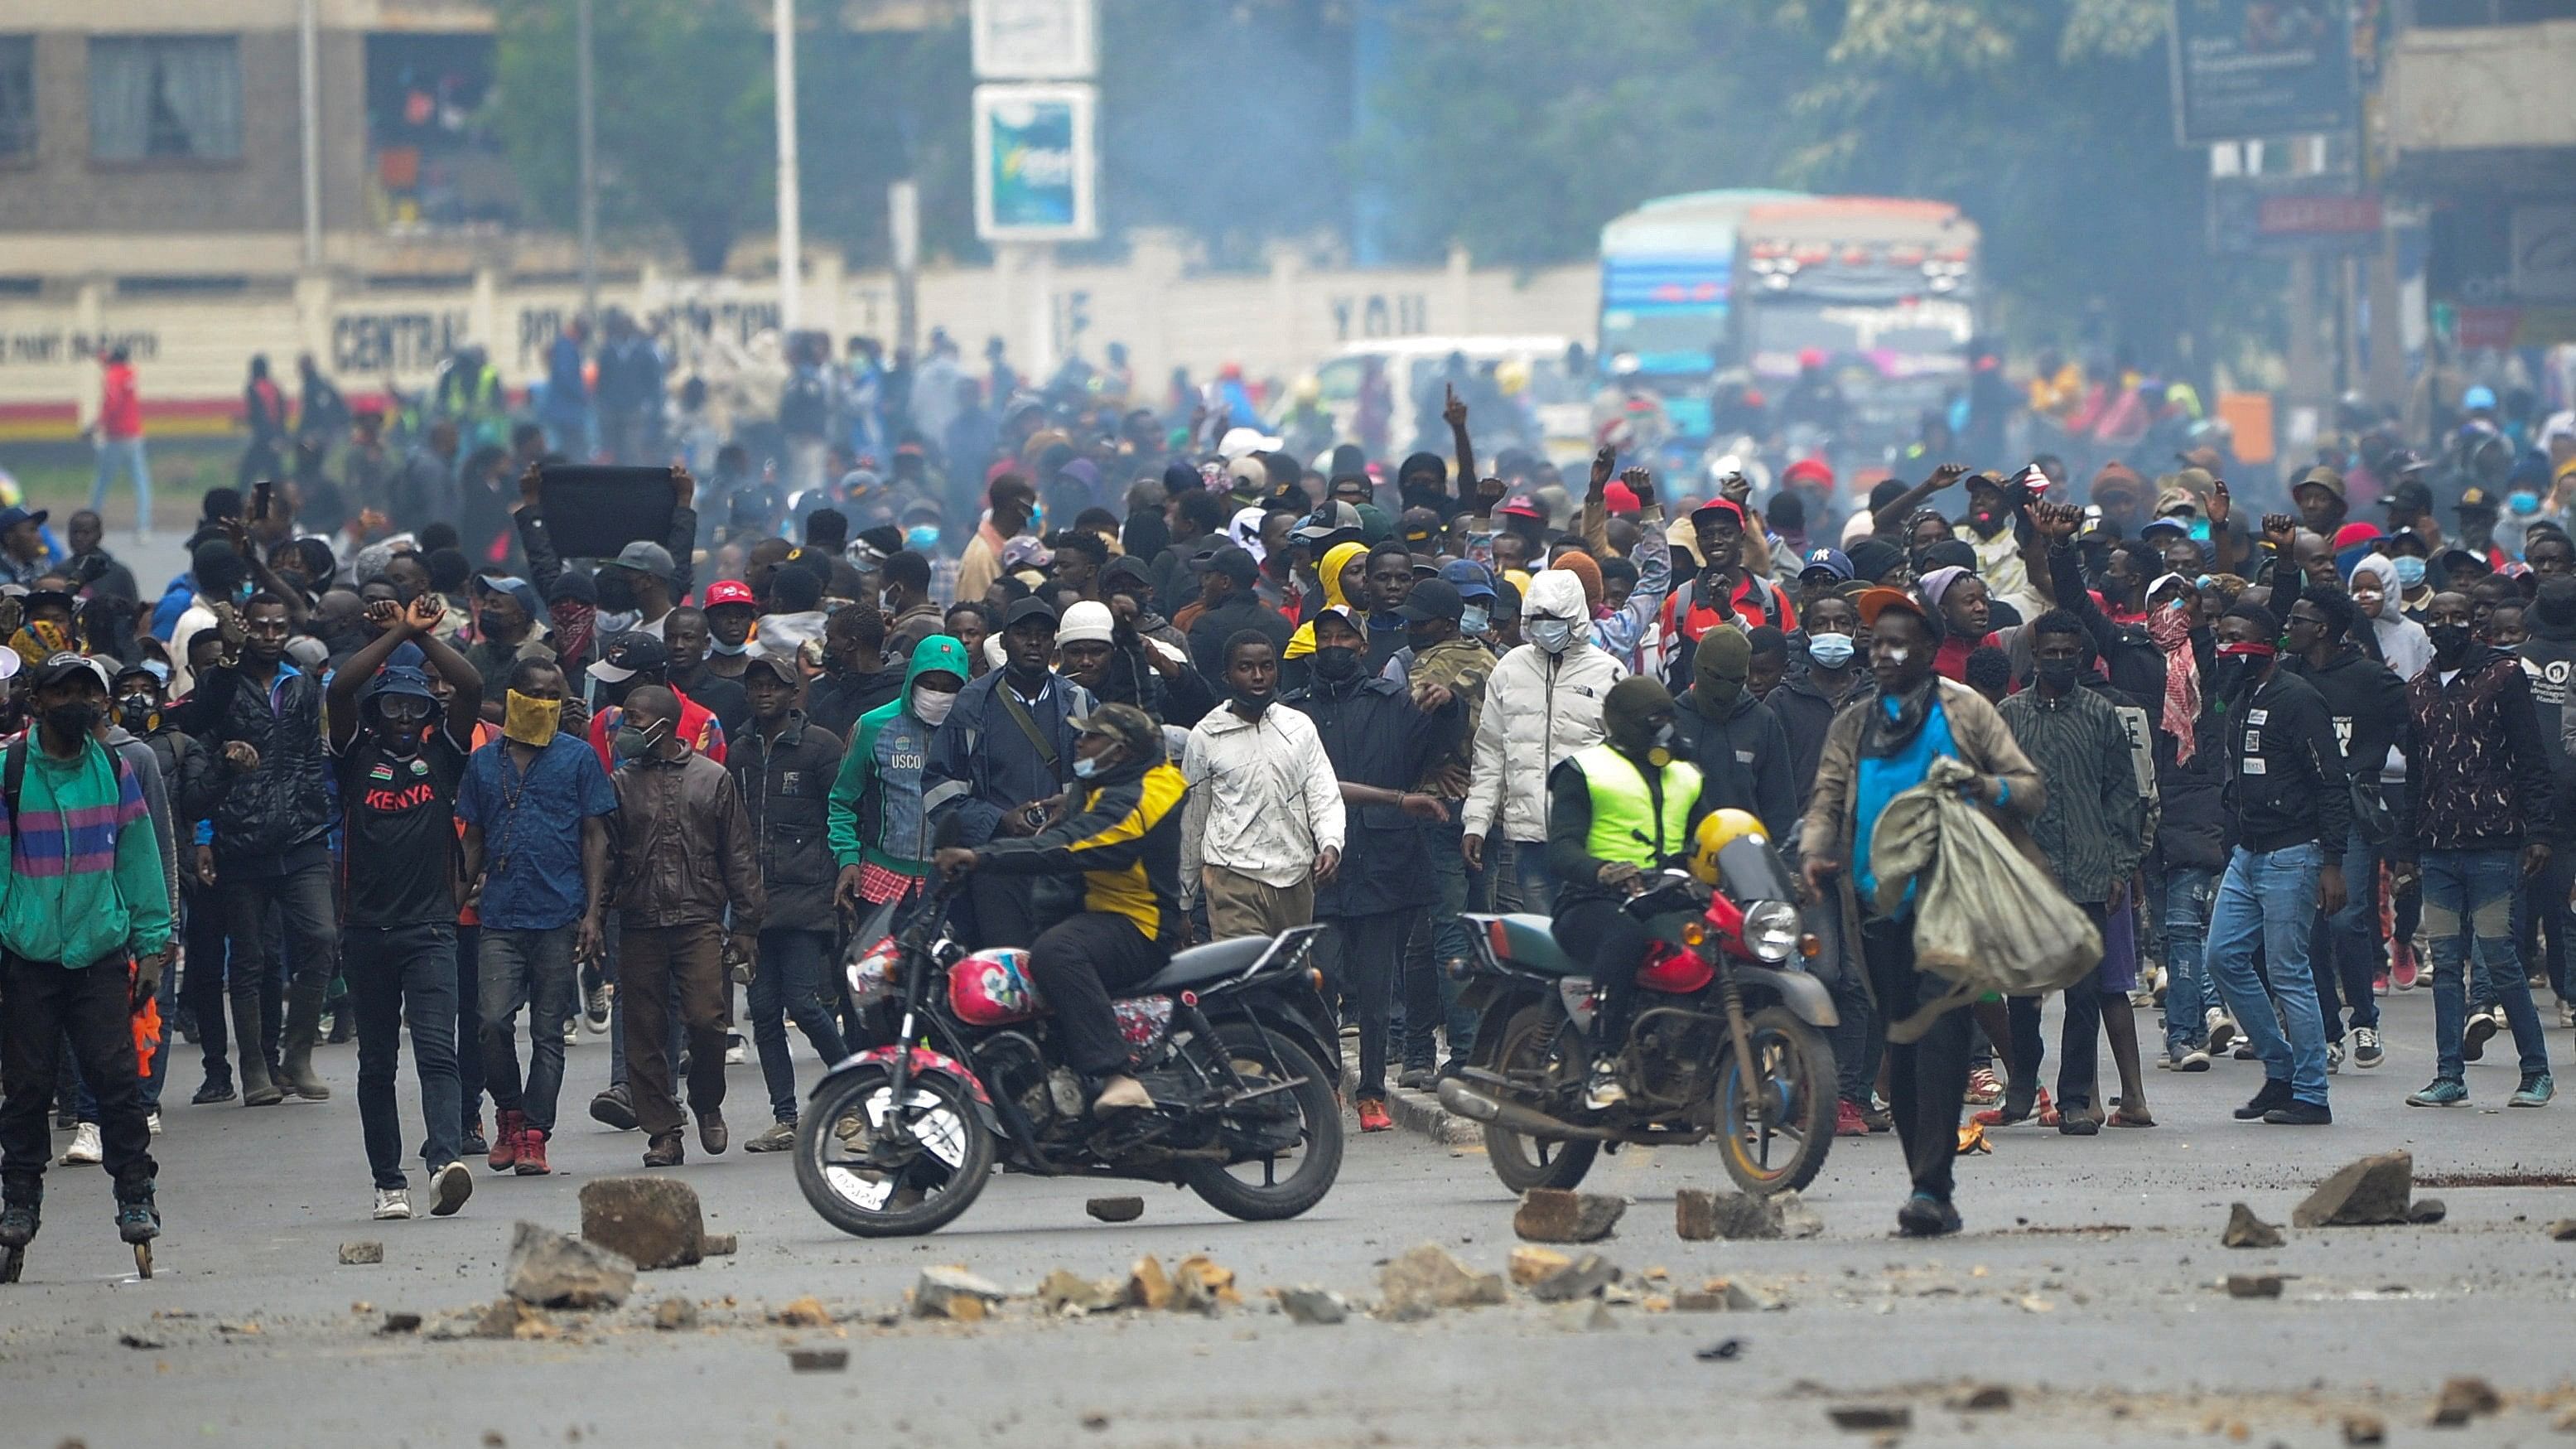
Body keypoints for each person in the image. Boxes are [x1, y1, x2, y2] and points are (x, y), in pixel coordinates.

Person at [1800, 588, 2043, 1235]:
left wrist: (1983, 786)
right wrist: (1816, 854)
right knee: (1901, 1051)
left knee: (1941, 1042)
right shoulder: (1854, 723)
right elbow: (1826, 800)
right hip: (1876, 910)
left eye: (1897, 641)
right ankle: (1923, 1175)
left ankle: (1932, 1188)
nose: (1882, 653)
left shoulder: (1968, 713)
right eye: (1876, 641)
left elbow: (2027, 787)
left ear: (1932, 650)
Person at [0, 653, 173, 1265]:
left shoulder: (116, 769)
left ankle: (135, 1193)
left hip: (99, 953)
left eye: (88, 692)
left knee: (118, 1083)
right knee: (25, 1088)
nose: (78, 702)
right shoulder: (9, 771)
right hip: (30, 956)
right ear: (38, 701)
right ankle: (18, 1199)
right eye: (64, 691)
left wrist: (153, 944)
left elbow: (139, 861)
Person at [932, 704, 1185, 1113]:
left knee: (1057, 952)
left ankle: (1117, 1075)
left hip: (1139, 924)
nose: (1079, 742)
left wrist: (982, 857)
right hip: (1097, 914)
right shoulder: (1109, 784)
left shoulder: (1141, 796)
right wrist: (1069, 801)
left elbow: (1068, 845)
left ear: (1118, 752)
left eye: (1091, 737)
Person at [325, 596, 484, 1220]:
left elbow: (469, 683)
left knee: (438, 1053)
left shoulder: (442, 756)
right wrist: (397, 635)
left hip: (430, 929)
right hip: (364, 930)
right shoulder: (353, 757)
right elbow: (339, 687)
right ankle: (388, 1181)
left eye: (414, 705)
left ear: (426, 712)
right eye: (392, 703)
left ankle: (443, 1162)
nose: (402, 716)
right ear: (376, 710)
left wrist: (427, 636)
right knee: (376, 1064)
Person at [1294, 606, 1463, 1132]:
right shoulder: (1293, 713)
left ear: (1363, 646)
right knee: (1319, 978)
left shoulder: (1393, 704)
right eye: (1326, 637)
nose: (1336, 645)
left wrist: (1447, 706)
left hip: (1383, 861)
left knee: (1374, 988)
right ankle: (1324, 1085)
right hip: (1319, 863)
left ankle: (1371, 1094)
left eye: (1346, 637)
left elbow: (1436, 744)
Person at [167, 591, 338, 1106]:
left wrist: (318, 817)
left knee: (323, 938)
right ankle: (254, 1070)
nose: (269, 634)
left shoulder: (303, 685)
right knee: (249, 959)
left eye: (277, 626)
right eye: (260, 626)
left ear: (288, 629)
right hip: (241, 840)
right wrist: (205, 840)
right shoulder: (223, 686)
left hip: (303, 836)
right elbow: (200, 742)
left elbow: (312, 756)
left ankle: (298, 1054)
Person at [2395, 592, 2556, 1108]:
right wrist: (2406, 844)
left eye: (2458, 618)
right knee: (2444, 963)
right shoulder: (2418, 689)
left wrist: (2539, 832)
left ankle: (2536, 1072)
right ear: (2426, 625)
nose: (2447, 626)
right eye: (2438, 618)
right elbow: (2417, 774)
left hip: (2494, 839)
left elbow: (2532, 757)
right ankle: (2449, 1075)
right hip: (2438, 844)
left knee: (2498, 957)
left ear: (2475, 624)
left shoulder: (2504, 677)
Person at [458, 656, 615, 1178]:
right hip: (500, 913)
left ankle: (533, 1134)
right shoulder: (484, 763)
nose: (544, 704)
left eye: (555, 696)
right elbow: (473, 838)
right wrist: (450, 902)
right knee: (491, 1022)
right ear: (511, 699)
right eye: (535, 694)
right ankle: (508, 1110)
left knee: (549, 1031)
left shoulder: (578, 758)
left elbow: (596, 837)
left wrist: (593, 913)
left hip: (559, 911)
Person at [1995, 611, 2149, 1133]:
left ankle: (2076, 1098)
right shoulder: (2008, 716)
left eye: (2069, 653)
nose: (2060, 661)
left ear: (2083, 656)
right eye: (2050, 653)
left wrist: (2119, 867)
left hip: (2088, 871)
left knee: (2083, 995)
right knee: (2024, 992)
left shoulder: (2102, 715)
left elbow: (2124, 796)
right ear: (2033, 657)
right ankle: (2021, 1083)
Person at [2201, 602, 2349, 1128]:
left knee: (2289, 974)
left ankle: (2311, 1093)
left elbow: (2332, 784)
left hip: (2293, 852)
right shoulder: (2240, 697)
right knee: (2222, 957)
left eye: (2236, 638)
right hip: (2249, 851)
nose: (2226, 648)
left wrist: (2332, 863)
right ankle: (2280, 1069)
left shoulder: (2299, 699)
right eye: (2221, 637)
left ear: (2266, 645)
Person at [606, 685, 763, 1166]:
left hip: (698, 918)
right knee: (645, 1030)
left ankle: (706, 1101)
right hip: (639, 920)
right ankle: (663, 1131)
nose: (623, 730)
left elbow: (737, 853)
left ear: (663, 724)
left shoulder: (712, 779)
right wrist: (592, 914)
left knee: (707, 1021)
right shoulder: (621, 782)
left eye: (633, 720)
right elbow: (604, 854)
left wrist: (747, 925)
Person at [1545, 675, 1713, 1109]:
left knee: (1726, 938)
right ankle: (1601, 1064)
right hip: (1590, 901)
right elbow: (1561, 849)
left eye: (1670, 719)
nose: (1665, 730)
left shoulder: (1687, 776)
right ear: (1622, 723)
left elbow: (1713, 836)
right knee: (1625, 936)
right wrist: (1603, 872)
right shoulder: (1584, 772)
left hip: (1665, 896)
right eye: (1653, 721)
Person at [728, 652, 852, 1152]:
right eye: (756, 685)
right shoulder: (738, 750)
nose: (764, 693)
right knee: (762, 1010)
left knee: (804, 1003)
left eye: (774, 685)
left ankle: (854, 1099)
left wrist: (842, 874)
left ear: (792, 692)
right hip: (754, 901)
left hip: (805, 897)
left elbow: (842, 811)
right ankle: (787, 1117)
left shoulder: (819, 748)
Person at [924, 598, 1095, 950]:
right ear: (1003, 642)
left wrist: (1073, 804)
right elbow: (938, 786)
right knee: (1002, 969)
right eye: (1023, 634)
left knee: (1057, 963)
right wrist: (999, 819)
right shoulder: (973, 703)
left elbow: (1112, 778)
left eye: (1043, 635)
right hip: (995, 867)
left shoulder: (1079, 703)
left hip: (1062, 867)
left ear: (1054, 644)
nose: (1034, 643)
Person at [2280, 589, 2403, 1071]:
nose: (2288, 626)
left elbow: (2415, 724)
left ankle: (2365, 1019)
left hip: (2351, 810)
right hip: (2298, 815)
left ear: (2323, 628)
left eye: (2297, 619)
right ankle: (2328, 1031)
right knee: (2308, 927)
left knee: (2346, 917)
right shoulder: (2288, 676)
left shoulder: (2370, 678)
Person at [1464, 568, 1623, 910]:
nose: (1545, 624)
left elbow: (1624, 760)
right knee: (1541, 939)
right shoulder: (1509, 669)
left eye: (1553, 617)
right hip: (1529, 838)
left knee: (1586, 932)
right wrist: (1477, 820)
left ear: (1576, 617)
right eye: (1537, 617)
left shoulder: (1608, 673)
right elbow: (1491, 751)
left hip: (1590, 838)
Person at [1181, 633, 1343, 942]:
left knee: (1293, 978)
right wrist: (1184, 901)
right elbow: (1192, 820)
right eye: (1246, 667)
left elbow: (1323, 794)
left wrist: (1331, 844)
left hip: (1296, 874)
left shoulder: (1298, 727)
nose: (1258, 676)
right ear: (1226, 676)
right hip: (1233, 876)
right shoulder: (1206, 736)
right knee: (1247, 974)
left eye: (1267, 666)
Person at [1671, 624, 1795, 840]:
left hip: (1746, 858)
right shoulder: (1672, 719)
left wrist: (1784, 866)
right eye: (1716, 677)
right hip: (1680, 857)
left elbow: (1780, 809)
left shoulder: (1762, 722)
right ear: (1698, 668)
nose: (1723, 689)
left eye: (1735, 680)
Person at [1184, 545, 1290, 684]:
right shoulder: (1282, 624)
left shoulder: (1206, 626)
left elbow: (1192, 682)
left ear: (1225, 582)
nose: (1204, 583)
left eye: (1208, 576)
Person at [958, 476, 1038, 607]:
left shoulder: (1004, 548)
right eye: (1029, 509)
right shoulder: (981, 557)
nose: (1032, 516)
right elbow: (977, 612)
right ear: (1016, 506)